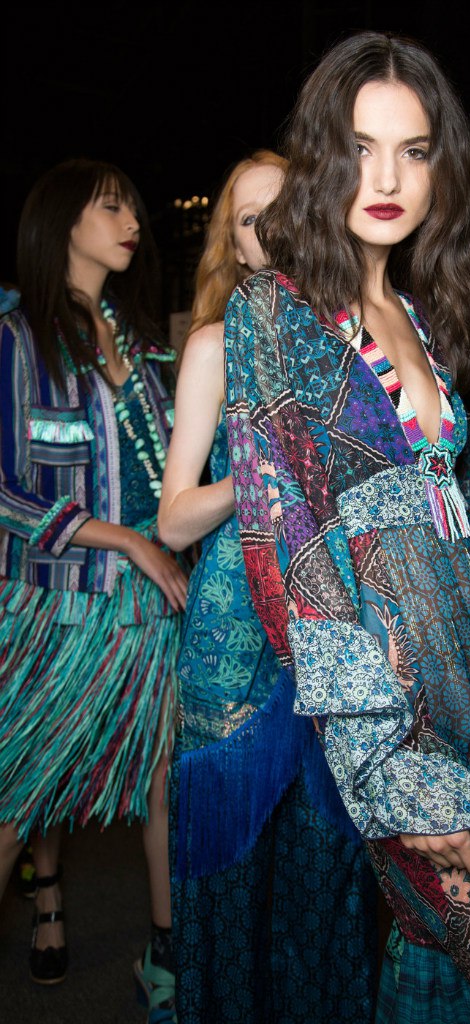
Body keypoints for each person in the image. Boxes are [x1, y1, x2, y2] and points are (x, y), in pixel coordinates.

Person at [223, 31, 470, 1024]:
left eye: (413, 151)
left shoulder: (413, 310)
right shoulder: (273, 313)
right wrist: (393, 774)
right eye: (359, 148)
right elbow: (289, 559)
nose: (387, 178)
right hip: (410, 716)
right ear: (320, 159)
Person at [157, 150, 377, 1024]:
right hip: (234, 635)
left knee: (329, 871)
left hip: (337, 626)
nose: (272, 230)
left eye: (285, 208)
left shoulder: (356, 338)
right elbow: (174, 522)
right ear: (237, 245)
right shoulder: (214, 344)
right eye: (251, 219)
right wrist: (256, 470)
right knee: (232, 881)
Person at [0, 159, 187, 1022]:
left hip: (148, 606)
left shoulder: (141, 346)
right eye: (112, 207)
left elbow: (167, 470)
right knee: (20, 790)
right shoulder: (17, 338)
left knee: (164, 781)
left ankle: (167, 954)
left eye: (134, 207)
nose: (132, 221)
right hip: (59, 605)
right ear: (62, 221)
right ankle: (47, 899)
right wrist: (124, 540)